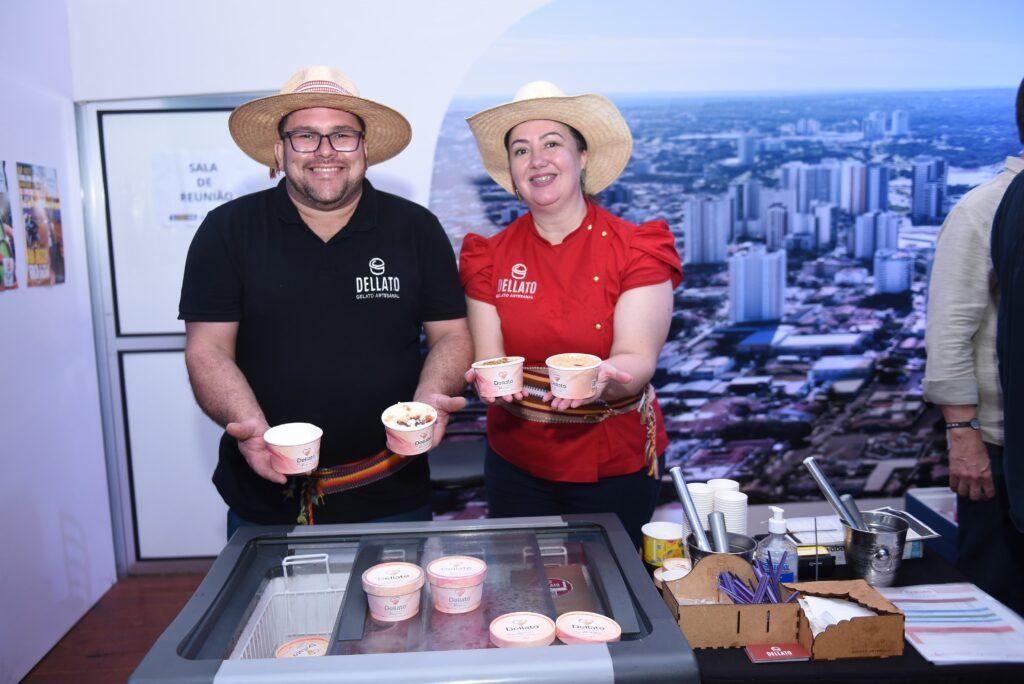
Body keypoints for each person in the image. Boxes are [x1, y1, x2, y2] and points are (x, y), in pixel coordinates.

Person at [179, 66, 472, 537]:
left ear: (365, 149)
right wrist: (249, 425)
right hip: (265, 496)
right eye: (304, 136)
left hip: (393, 490)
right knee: (276, 614)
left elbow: (451, 335)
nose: (325, 152)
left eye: (342, 135)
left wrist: (430, 399)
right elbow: (206, 349)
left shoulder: (416, 229)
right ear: (279, 150)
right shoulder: (226, 230)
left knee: (396, 614)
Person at [459, 82, 681, 548]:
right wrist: (484, 379)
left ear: (581, 157)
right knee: (523, 594)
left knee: (609, 600)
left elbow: (637, 359)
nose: (537, 159)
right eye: (521, 150)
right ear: (514, 172)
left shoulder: (636, 248)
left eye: (552, 144)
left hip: (613, 460)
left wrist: (608, 378)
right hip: (515, 460)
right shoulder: (488, 256)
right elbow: (491, 359)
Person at [924, 76, 1024, 614]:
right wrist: (964, 436)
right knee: (1000, 589)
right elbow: (948, 333)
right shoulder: (984, 208)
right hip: (1002, 441)